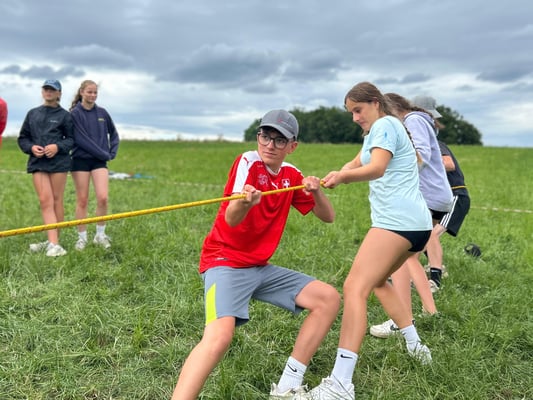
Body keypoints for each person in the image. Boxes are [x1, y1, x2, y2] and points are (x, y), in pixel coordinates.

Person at [171, 109, 340, 400]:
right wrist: (245, 203)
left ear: (292, 146)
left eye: (279, 140)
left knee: (328, 298)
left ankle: (288, 385)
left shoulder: (291, 175)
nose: (270, 145)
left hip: (259, 267)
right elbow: (231, 219)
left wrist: (316, 192)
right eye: (265, 136)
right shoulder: (247, 162)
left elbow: (328, 217)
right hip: (224, 262)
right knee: (219, 337)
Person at [309, 82, 432, 399]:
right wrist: (334, 174)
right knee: (377, 282)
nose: (354, 118)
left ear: (375, 103)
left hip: (396, 223)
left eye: (358, 110)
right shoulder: (379, 131)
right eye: (351, 112)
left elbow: (376, 169)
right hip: (416, 226)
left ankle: (340, 383)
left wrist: (343, 178)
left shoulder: (385, 125)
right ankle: (416, 346)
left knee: (354, 287)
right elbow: (358, 161)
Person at [368, 93, 453, 339]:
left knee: (400, 258)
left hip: (424, 196)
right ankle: (429, 310)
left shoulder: (413, 120)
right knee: (410, 258)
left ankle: (402, 320)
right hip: (435, 197)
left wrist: (392, 166)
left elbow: (420, 157)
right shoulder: (422, 121)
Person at [18, 79, 74, 257]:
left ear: (59, 94)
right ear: (42, 92)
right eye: (46, 89)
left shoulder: (65, 116)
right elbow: (23, 138)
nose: (48, 92)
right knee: (45, 200)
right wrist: (31, 148)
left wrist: (57, 147)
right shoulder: (32, 113)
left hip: (59, 163)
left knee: (57, 200)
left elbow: (71, 140)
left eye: (52, 90)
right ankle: (53, 243)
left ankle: (54, 242)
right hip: (38, 163)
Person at [69, 80, 120, 250]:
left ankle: (100, 235)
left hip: (99, 161)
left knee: (103, 198)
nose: (92, 95)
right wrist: (104, 153)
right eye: (89, 92)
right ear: (82, 92)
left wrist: (112, 152)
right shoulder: (75, 114)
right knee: (82, 200)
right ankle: (82, 238)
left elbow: (114, 134)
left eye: (95, 92)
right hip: (80, 160)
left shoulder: (102, 113)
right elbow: (81, 139)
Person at [424, 139, 471, 289]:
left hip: (456, 196)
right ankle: (429, 268)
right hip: (439, 199)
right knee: (422, 235)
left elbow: (449, 164)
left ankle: (435, 281)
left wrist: (423, 165)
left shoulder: (434, 144)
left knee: (431, 235)